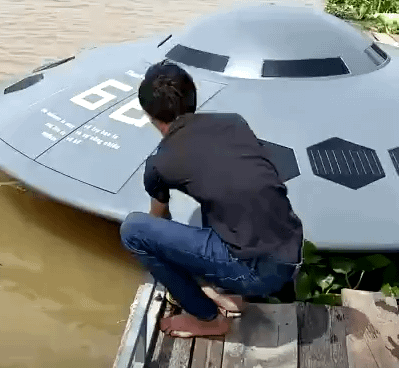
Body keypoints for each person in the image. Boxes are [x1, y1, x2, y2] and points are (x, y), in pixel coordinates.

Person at [119, 60, 304, 338]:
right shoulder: (233, 122)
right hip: (291, 250)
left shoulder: (159, 163)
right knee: (222, 194)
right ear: (194, 98)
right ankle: (232, 294)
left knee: (133, 230)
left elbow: (156, 222)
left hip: (259, 274)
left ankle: (207, 318)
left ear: (150, 117)